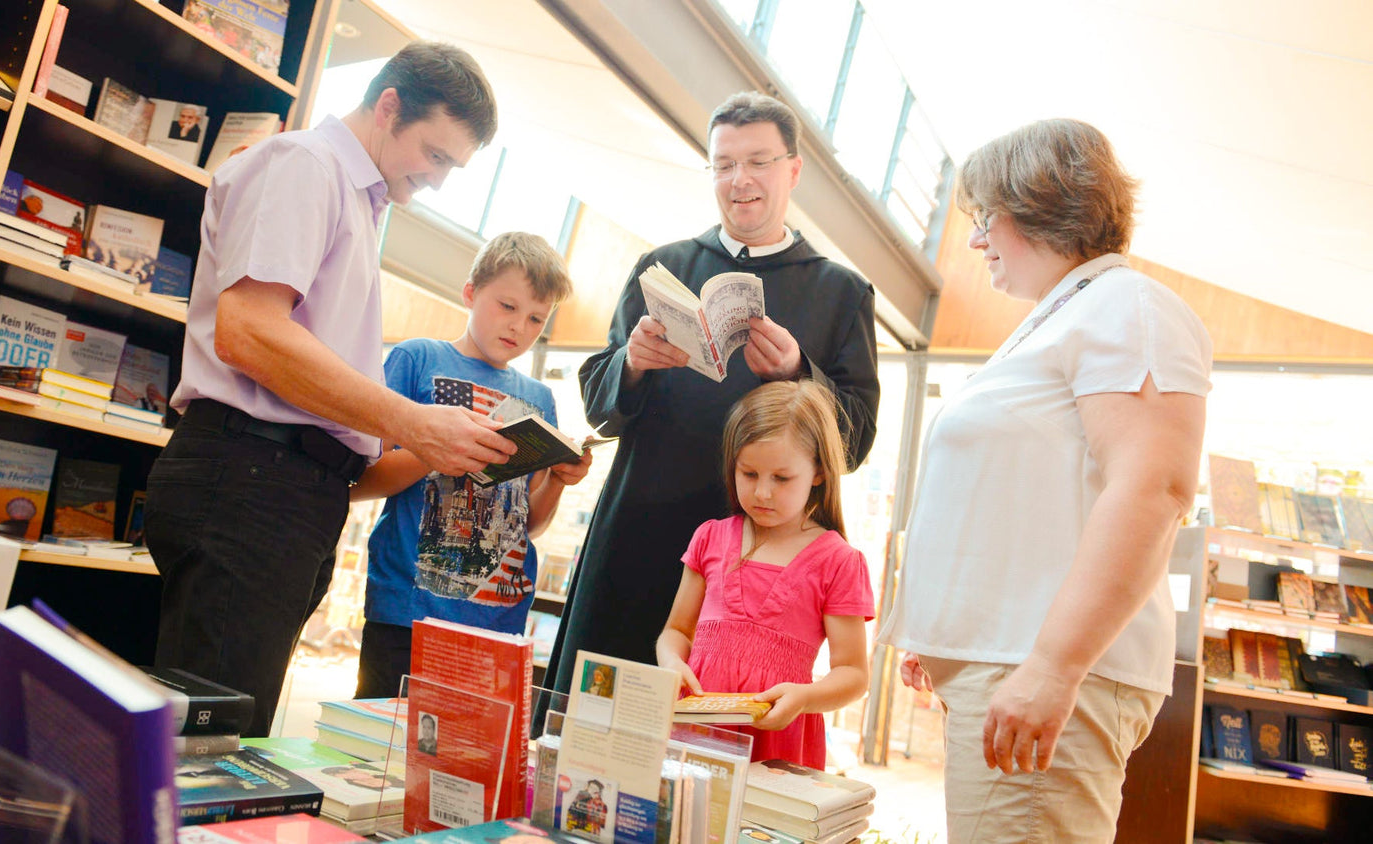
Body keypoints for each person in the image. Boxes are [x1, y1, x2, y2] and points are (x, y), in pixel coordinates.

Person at [145, 41, 517, 739]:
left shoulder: (358, 200)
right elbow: (249, 333)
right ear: (388, 107)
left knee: (229, 737)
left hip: (287, 491)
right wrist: (412, 420)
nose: (437, 180)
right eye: (435, 155)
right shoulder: (305, 166)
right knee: (211, 750)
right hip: (250, 480)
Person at [878, 118, 1211, 842]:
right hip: (1004, 662)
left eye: (983, 216)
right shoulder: (1066, 315)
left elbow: (1155, 488)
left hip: (1044, 666)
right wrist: (946, 631)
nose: (974, 239)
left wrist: (1055, 668)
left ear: (1038, 205)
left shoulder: (1129, 307)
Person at [545, 91, 880, 696]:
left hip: (759, 556)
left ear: (793, 170)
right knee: (601, 726)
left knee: (720, 740)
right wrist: (633, 363)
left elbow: (853, 444)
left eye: (759, 161)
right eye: (723, 164)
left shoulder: (842, 292)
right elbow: (599, 400)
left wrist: (800, 373)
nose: (740, 180)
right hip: (642, 530)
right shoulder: (663, 266)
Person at [353, 232, 592, 698]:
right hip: (409, 608)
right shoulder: (417, 358)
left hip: (497, 618)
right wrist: (438, 450)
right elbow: (364, 478)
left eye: (536, 318)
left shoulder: (540, 399)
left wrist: (560, 481)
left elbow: (532, 524)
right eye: (507, 306)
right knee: (380, 749)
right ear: (470, 292)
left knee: (468, 759)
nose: (519, 327)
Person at [656, 380, 873, 769]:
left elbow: (854, 673)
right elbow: (676, 631)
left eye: (782, 478)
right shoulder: (710, 537)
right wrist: (671, 662)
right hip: (693, 735)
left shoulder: (838, 560)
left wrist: (805, 698)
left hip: (779, 743)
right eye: (749, 473)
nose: (763, 494)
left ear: (820, 472)